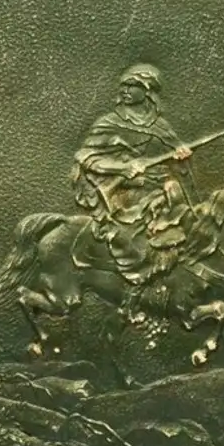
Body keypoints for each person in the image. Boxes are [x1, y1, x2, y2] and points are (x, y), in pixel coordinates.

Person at [71, 64, 197, 285]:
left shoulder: (161, 126)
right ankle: (136, 282)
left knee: (191, 225)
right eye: (124, 86)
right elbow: (86, 157)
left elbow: (175, 164)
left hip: (160, 188)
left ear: (147, 91)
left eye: (132, 86)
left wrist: (181, 159)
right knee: (133, 240)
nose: (125, 90)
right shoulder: (108, 123)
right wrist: (123, 168)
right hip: (125, 192)